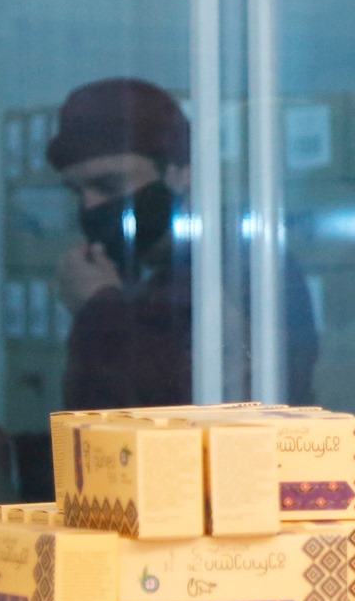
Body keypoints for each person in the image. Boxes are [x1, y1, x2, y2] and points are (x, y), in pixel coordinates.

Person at [46, 77, 318, 410]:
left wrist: (100, 307)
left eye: (109, 184)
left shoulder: (237, 268)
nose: (90, 205)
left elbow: (202, 408)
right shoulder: (134, 269)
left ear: (180, 173)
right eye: (77, 192)